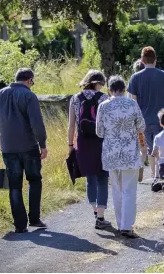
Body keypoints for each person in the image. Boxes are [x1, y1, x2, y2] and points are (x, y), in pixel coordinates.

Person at [0, 68, 48, 233]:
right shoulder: (29, 96)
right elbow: (37, 123)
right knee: (34, 180)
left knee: (14, 185)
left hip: (8, 148)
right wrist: (42, 144)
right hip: (28, 146)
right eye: (32, 82)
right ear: (29, 80)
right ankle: (34, 219)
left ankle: (20, 225)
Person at [96, 76, 146, 238]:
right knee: (129, 190)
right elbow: (141, 126)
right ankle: (126, 225)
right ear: (124, 89)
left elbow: (99, 132)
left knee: (116, 190)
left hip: (111, 152)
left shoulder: (103, 106)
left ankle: (120, 223)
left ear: (109, 89)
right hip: (129, 152)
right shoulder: (132, 104)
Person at [67, 70, 111, 230]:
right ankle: (101, 216)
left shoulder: (75, 98)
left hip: (83, 141)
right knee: (103, 178)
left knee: (90, 179)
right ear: (98, 82)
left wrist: (70, 145)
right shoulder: (105, 99)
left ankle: (95, 211)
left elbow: (71, 125)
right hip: (101, 142)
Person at [127, 47, 164, 178]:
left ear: (142, 60)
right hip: (162, 119)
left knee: (147, 147)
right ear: (155, 60)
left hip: (143, 120)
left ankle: (148, 171)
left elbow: (132, 101)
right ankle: (159, 174)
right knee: (160, 148)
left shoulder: (135, 77)